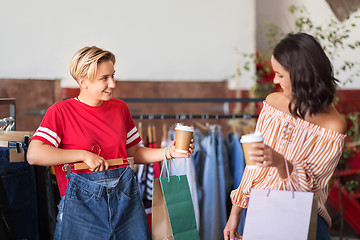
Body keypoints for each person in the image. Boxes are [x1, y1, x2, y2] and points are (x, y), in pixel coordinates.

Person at [26, 46, 194, 240]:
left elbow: (133, 152)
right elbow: (34, 154)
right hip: (81, 211)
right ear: (83, 82)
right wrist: (83, 155)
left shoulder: (120, 108)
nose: (112, 84)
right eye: (104, 78)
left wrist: (169, 152)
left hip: (126, 203)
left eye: (113, 75)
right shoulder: (61, 111)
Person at [223, 32, 347, 240]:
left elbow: (312, 191)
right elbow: (253, 168)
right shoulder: (273, 104)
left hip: (305, 221)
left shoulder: (334, 125)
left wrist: (283, 164)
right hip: (260, 212)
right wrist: (235, 212)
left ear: (302, 75)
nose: (274, 79)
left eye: (280, 75)